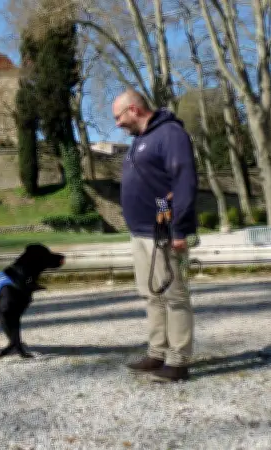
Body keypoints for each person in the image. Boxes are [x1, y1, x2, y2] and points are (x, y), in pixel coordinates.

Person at [112, 89, 198, 382]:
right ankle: (158, 352)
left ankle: (179, 359)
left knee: (173, 295)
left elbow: (182, 182)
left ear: (134, 109)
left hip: (163, 232)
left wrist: (177, 227)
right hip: (141, 232)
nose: (117, 124)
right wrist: (158, 208)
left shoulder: (170, 134)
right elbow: (160, 191)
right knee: (151, 294)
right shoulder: (139, 141)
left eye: (118, 117)